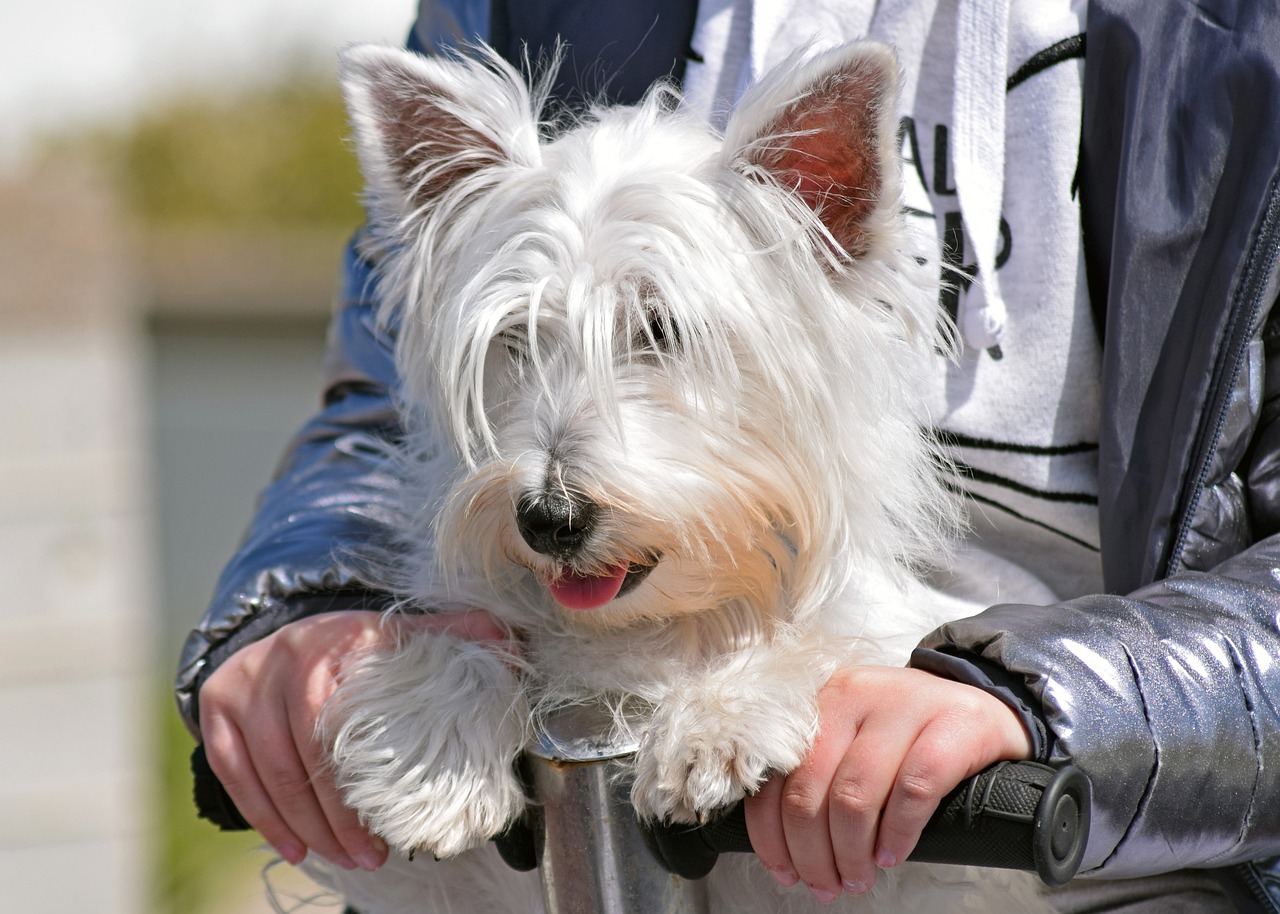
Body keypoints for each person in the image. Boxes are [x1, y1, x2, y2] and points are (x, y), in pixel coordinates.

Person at [175, 0, 1280, 911]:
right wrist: (304, 607)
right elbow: (388, 410)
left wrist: (1051, 705)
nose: (555, 475)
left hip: (1097, 842)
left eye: (659, 338)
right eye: (521, 342)